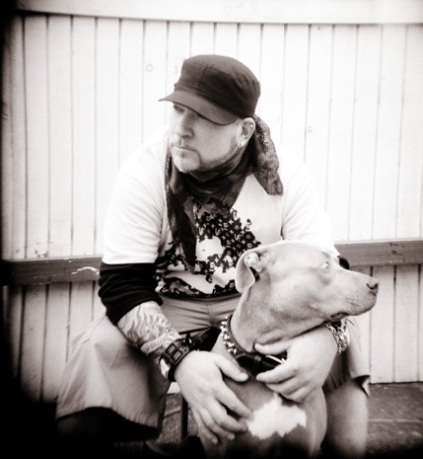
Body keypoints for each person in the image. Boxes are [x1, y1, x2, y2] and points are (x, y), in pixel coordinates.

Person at [55, 54, 370, 458]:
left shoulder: (288, 173)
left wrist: (326, 338)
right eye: (178, 110)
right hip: (169, 304)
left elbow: (329, 270)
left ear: (244, 131)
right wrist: (181, 362)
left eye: (203, 117)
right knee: (97, 349)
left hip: (254, 307)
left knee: (344, 346)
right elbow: (123, 286)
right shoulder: (144, 170)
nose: (181, 128)